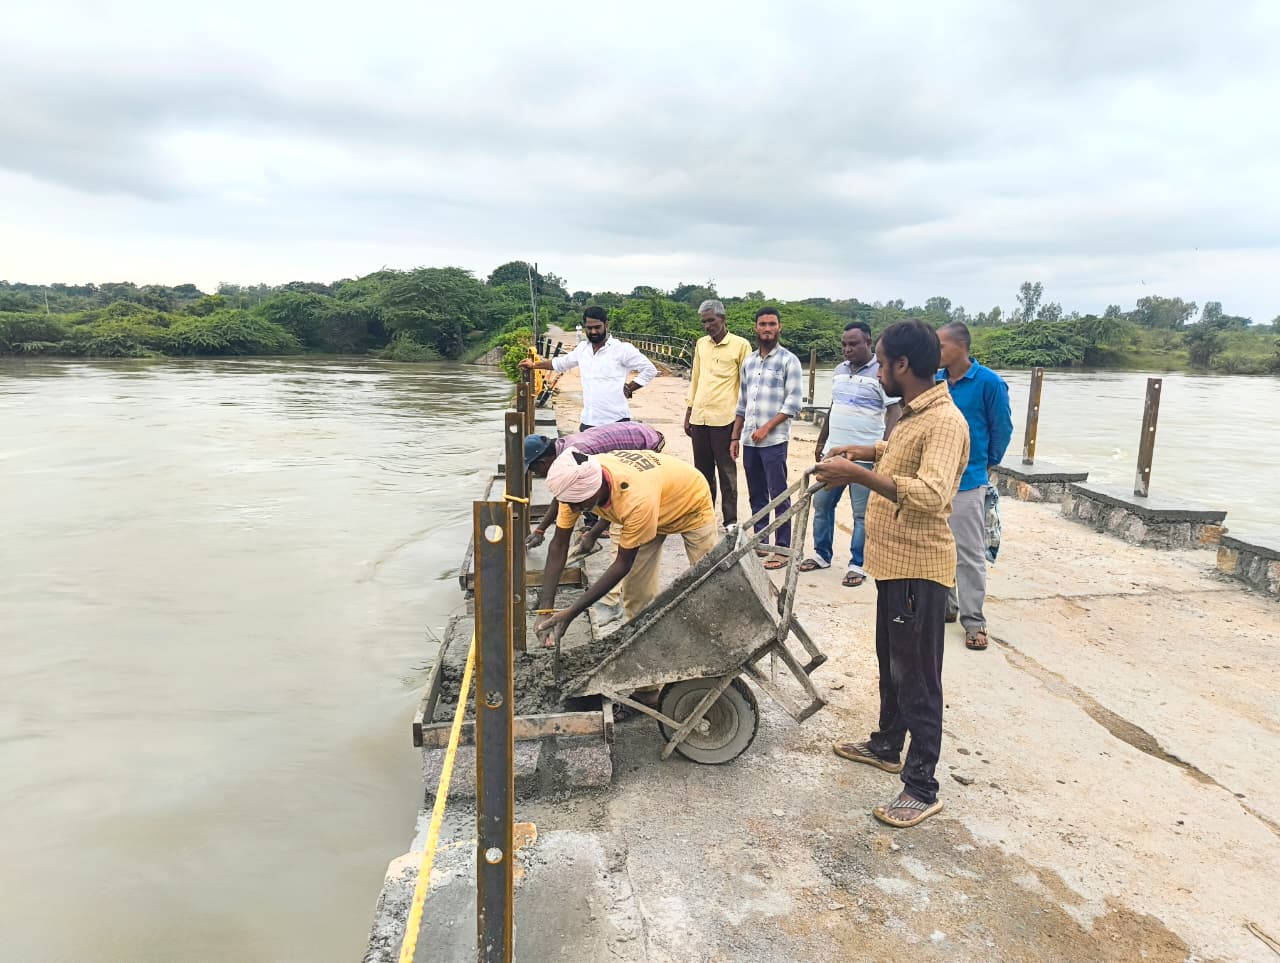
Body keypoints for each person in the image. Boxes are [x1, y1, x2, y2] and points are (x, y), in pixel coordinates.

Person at [815, 319, 969, 829]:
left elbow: (931, 494)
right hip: (893, 565)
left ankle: (922, 786)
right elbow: (902, 455)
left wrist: (857, 475)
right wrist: (866, 451)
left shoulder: (945, 422)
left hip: (919, 570)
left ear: (903, 365)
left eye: (881, 362)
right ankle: (886, 746)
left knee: (919, 677)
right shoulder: (913, 413)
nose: (877, 370)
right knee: (892, 662)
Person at [533, 448, 718, 648]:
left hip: (690, 504)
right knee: (636, 594)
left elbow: (621, 565)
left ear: (595, 489)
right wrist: (545, 610)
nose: (574, 510)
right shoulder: (577, 481)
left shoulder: (635, 499)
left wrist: (571, 613)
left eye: (579, 505)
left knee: (708, 580)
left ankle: (713, 643)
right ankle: (643, 646)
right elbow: (559, 545)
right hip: (648, 504)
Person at [800, 322, 900, 587]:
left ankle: (858, 564)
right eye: (844, 344)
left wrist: (884, 449)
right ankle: (821, 555)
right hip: (834, 452)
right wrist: (822, 438)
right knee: (822, 505)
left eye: (853, 344)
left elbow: (894, 412)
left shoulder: (881, 372)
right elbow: (834, 406)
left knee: (862, 514)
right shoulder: (838, 371)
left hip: (866, 457)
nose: (847, 349)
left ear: (868, 343)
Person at [936, 322, 1012, 652]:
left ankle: (974, 621)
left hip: (968, 481)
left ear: (961, 347)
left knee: (968, 553)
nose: (935, 353)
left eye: (940, 347)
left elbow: (1002, 429)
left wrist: (985, 463)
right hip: (937, 478)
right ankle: (947, 606)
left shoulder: (989, 383)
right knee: (940, 547)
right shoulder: (936, 383)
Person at [731, 306, 803, 570]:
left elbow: (793, 403)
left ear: (779, 327)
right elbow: (742, 403)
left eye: (772, 324)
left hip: (773, 441)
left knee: (778, 492)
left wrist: (767, 428)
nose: (767, 329)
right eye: (763, 324)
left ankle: (782, 548)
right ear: (756, 328)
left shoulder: (788, 361)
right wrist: (735, 437)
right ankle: (761, 541)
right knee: (756, 493)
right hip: (749, 441)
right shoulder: (749, 362)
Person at [522, 422, 666, 549]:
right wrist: (540, 530)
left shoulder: (578, 454)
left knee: (622, 512)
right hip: (636, 431)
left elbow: (608, 494)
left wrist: (593, 533)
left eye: (534, 470)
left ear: (543, 462)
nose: (536, 474)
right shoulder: (563, 449)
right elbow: (562, 497)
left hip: (646, 442)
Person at [519, 306, 657, 432]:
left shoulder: (622, 349)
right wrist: (534, 365)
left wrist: (630, 387)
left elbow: (649, 369)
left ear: (606, 324)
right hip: (588, 422)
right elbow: (560, 363)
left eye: (597, 327)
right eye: (589, 328)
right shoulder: (582, 349)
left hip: (616, 422)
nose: (593, 331)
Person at [684, 299, 751, 527]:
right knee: (701, 472)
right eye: (704, 322)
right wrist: (689, 411)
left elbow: (746, 386)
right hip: (700, 417)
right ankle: (704, 516)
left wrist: (740, 425)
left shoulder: (741, 346)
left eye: (711, 320)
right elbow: (696, 379)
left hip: (725, 419)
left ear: (723, 319)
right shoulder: (702, 344)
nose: (707, 326)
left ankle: (730, 521)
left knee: (726, 472)